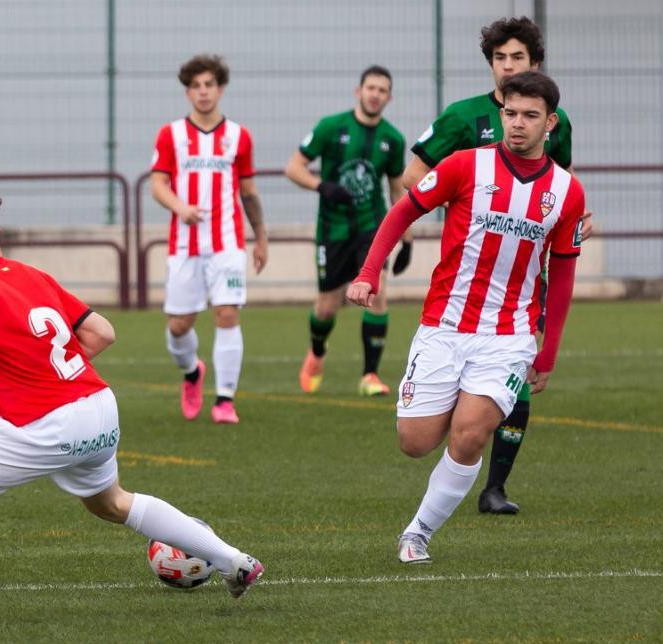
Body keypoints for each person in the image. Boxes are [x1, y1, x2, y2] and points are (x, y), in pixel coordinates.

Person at [0, 185, 265, 629]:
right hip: (99, 408)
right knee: (111, 503)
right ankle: (233, 559)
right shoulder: (31, 275)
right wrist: (51, 371)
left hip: (47, 423)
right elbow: (103, 332)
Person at [346, 72, 584, 565]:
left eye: (530, 116)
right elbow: (401, 214)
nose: (517, 125)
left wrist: (549, 350)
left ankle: (417, 533)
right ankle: (454, 409)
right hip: (444, 326)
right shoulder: (464, 166)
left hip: (509, 335)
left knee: (470, 433)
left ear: (551, 122)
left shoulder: (566, 192)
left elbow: (561, 276)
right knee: (414, 442)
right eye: (510, 113)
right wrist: (369, 273)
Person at [401, 16, 586, 515]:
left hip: (526, 281)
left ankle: (495, 485)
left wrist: (571, 225)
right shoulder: (462, 118)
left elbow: (562, 185)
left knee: (516, 379)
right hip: (464, 283)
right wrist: (474, 214)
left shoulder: (556, 120)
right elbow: (414, 175)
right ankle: (462, 454)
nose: (508, 66)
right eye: (500, 58)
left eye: (518, 58)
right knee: (419, 435)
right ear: (490, 65)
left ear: (535, 65)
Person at [150, 54, 268, 425]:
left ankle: (224, 400)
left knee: (227, 313)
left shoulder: (238, 136)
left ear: (220, 89)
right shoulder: (171, 135)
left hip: (227, 244)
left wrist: (261, 237)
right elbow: (157, 185)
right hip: (184, 245)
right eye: (196, 86)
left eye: (209, 85)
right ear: (187, 92)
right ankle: (191, 373)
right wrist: (179, 207)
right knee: (179, 326)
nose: (203, 92)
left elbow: (248, 192)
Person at [283, 65, 410, 396]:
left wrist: (406, 237)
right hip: (333, 228)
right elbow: (293, 168)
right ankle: (317, 352)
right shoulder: (331, 127)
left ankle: (370, 375)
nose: (375, 94)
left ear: (389, 98)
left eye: (382, 90)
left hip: (373, 227)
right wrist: (321, 185)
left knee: (376, 293)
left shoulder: (393, 139)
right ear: (358, 91)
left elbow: (397, 191)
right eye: (370, 88)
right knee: (327, 305)